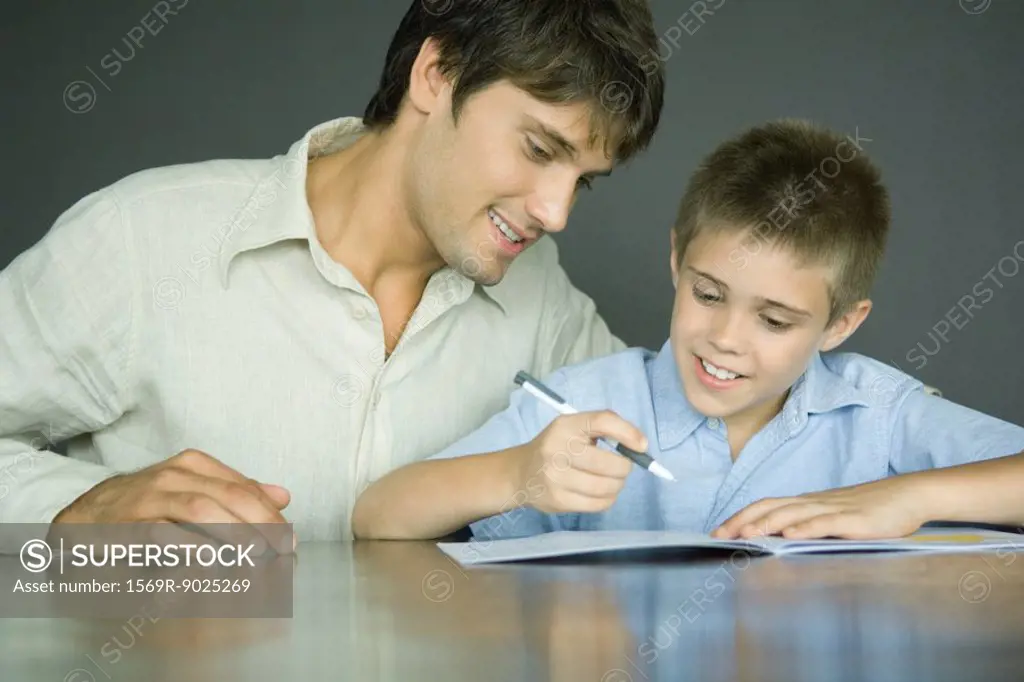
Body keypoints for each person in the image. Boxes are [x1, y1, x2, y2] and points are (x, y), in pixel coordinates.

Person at [0, 0, 665, 546]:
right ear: (437, 73)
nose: (555, 212)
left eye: (583, 182)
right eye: (538, 148)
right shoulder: (142, 237)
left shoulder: (541, 296)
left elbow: (674, 452)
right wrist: (76, 512)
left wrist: (768, 502)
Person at [352, 119, 1024, 542]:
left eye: (773, 319)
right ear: (677, 259)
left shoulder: (877, 416)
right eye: (707, 293)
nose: (725, 337)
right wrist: (518, 474)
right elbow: (379, 514)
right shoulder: (586, 402)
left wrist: (905, 497)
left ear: (841, 323)